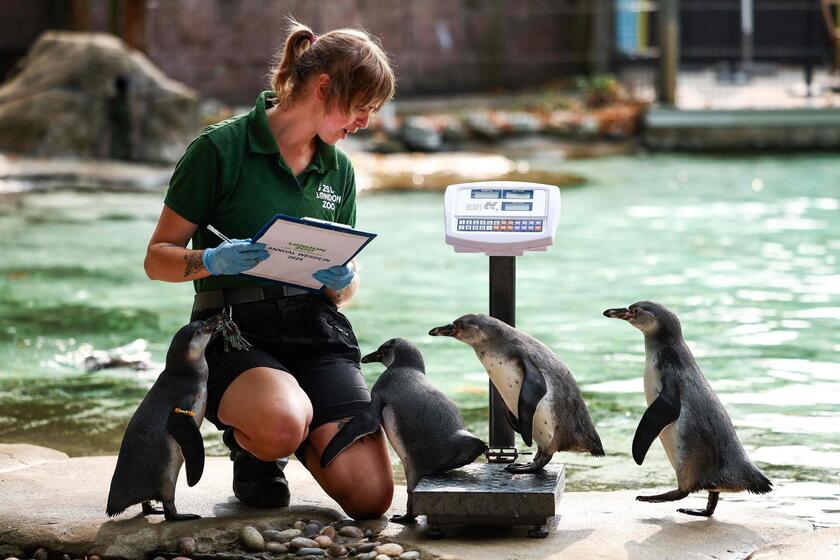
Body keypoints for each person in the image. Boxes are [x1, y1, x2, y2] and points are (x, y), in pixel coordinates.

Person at [144, 19, 396, 519]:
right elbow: (157, 258)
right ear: (324, 88)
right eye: (361, 107)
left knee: (373, 497)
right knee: (281, 423)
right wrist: (210, 260)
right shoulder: (219, 149)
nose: (365, 123)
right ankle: (261, 444)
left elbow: (340, 280)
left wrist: (345, 284)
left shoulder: (339, 169)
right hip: (234, 331)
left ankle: (293, 432)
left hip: (314, 329)